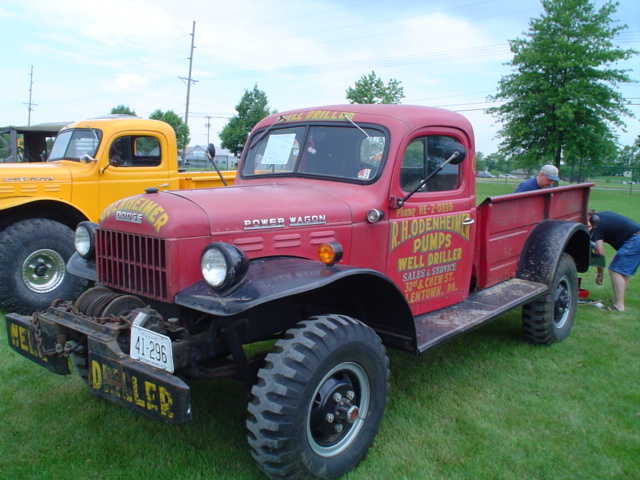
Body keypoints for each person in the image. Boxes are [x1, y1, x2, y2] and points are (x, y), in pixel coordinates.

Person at [588, 210, 640, 312]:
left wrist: (600, 274)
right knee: (624, 272)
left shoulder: (595, 226)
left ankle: (619, 305)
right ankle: (618, 297)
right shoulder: (601, 216)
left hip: (635, 240)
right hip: (637, 237)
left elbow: (599, 252)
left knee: (615, 270)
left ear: (589, 216)